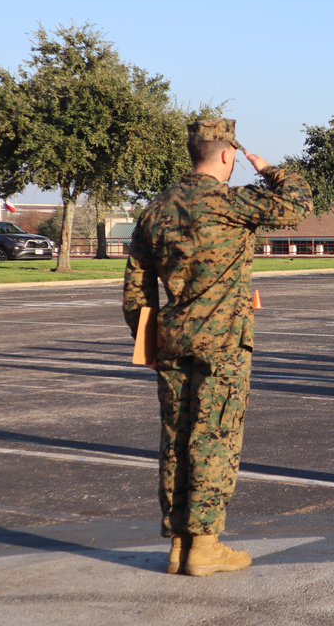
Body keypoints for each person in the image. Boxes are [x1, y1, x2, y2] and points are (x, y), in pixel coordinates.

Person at [123, 118, 312, 577]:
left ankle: (179, 544)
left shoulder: (155, 210)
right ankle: (205, 546)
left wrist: (147, 343)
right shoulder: (233, 203)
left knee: (176, 439)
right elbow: (300, 203)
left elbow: (136, 291)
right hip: (222, 344)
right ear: (227, 155)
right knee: (215, 438)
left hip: (170, 341)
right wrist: (271, 169)